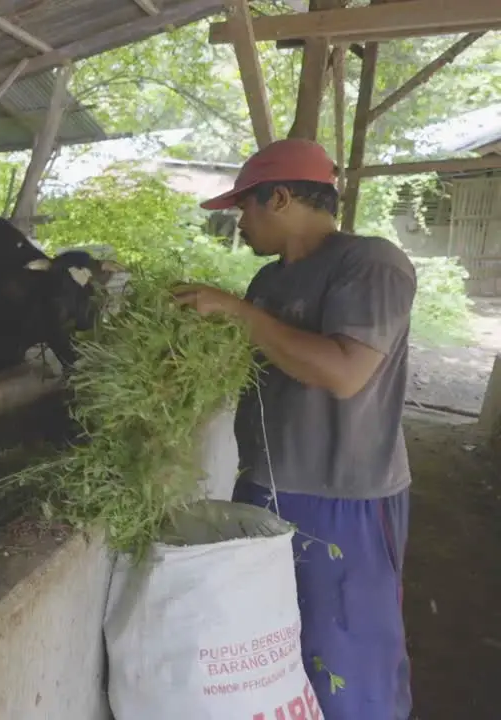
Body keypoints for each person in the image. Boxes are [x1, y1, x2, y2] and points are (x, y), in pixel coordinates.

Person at [171, 138, 415, 720]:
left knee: (347, 643)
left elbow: (344, 373)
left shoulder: (371, 262)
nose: (240, 222)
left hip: (343, 493)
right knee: (273, 639)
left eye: (244, 208)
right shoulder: (267, 285)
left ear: (278, 197)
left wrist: (236, 312)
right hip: (264, 483)